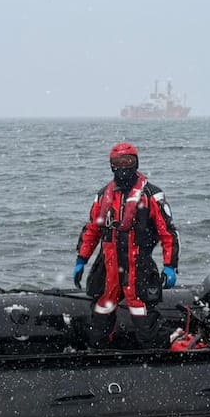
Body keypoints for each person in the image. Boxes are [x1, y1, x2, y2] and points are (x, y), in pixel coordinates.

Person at [73, 142, 180, 347]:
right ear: (112, 165)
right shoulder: (103, 195)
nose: (124, 167)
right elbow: (92, 230)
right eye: (119, 162)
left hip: (138, 265)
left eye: (128, 161)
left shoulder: (151, 195)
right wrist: (81, 259)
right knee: (100, 316)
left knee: (145, 321)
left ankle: (157, 354)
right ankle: (101, 353)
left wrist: (169, 265)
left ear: (136, 163)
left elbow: (168, 234)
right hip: (108, 265)